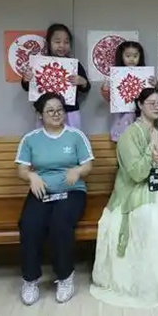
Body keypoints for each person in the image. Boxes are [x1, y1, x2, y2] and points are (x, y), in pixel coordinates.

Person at [90, 88, 158, 308]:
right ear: (140, 105)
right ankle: (145, 281)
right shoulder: (129, 134)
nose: (156, 107)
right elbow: (136, 173)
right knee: (151, 218)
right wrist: (151, 147)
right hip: (135, 187)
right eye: (151, 103)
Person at [15, 92, 94, 305]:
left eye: (59, 110)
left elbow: (88, 165)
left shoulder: (76, 136)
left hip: (72, 191)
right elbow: (21, 169)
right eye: (50, 111)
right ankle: (30, 279)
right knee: (29, 224)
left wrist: (77, 171)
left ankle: (65, 276)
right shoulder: (31, 139)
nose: (56, 114)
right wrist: (32, 176)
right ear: (40, 114)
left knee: (60, 223)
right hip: (42, 192)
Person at [21, 23, 91, 129]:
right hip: (46, 112)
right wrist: (26, 79)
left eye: (66, 42)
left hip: (70, 112)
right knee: (45, 138)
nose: (62, 45)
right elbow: (28, 87)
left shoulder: (74, 64)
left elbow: (86, 87)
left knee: (71, 137)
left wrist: (83, 82)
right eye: (57, 42)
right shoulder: (39, 63)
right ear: (49, 43)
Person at [100, 41, 156, 142]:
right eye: (128, 56)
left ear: (140, 57)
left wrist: (155, 85)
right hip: (121, 118)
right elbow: (109, 98)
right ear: (121, 57)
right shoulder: (115, 75)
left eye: (135, 56)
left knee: (141, 140)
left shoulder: (145, 75)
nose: (131, 59)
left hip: (141, 116)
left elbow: (152, 97)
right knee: (124, 141)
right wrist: (106, 87)